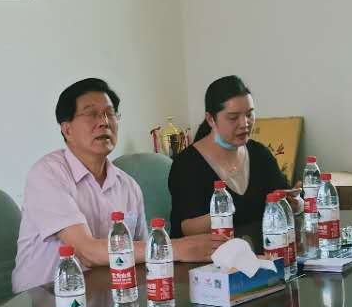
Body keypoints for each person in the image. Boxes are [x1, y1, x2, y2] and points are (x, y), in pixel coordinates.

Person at [12, 77, 221, 294]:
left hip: (107, 296)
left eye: (109, 113)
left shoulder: (128, 186)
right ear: (67, 130)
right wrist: (177, 247)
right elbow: (87, 252)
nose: (104, 122)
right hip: (43, 300)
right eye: (92, 114)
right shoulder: (48, 174)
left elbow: (141, 257)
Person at [167, 75, 292, 238]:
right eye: (233, 117)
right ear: (211, 119)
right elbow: (185, 228)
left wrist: (295, 203)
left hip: (264, 249)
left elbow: (283, 195)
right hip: (212, 251)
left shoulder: (260, 154)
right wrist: (222, 216)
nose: (244, 123)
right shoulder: (187, 165)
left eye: (249, 114)